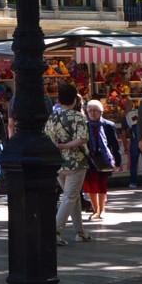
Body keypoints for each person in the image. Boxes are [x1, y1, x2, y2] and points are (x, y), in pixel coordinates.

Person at [45, 81, 90, 245]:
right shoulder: (78, 116)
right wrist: (67, 145)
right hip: (76, 162)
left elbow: (47, 137)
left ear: (58, 99)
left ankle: (80, 232)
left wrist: (59, 147)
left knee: (73, 197)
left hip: (58, 163)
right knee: (70, 197)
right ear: (75, 100)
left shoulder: (52, 117)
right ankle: (55, 231)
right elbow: (83, 138)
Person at [83, 99, 121, 222]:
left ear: (101, 112)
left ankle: (102, 210)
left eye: (96, 110)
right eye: (90, 110)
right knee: (91, 185)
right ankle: (96, 210)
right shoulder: (84, 126)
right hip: (89, 159)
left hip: (104, 159)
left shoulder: (108, 125)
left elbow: (115, 145)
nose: (93, 113)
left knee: (102, 184)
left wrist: (117, 161)